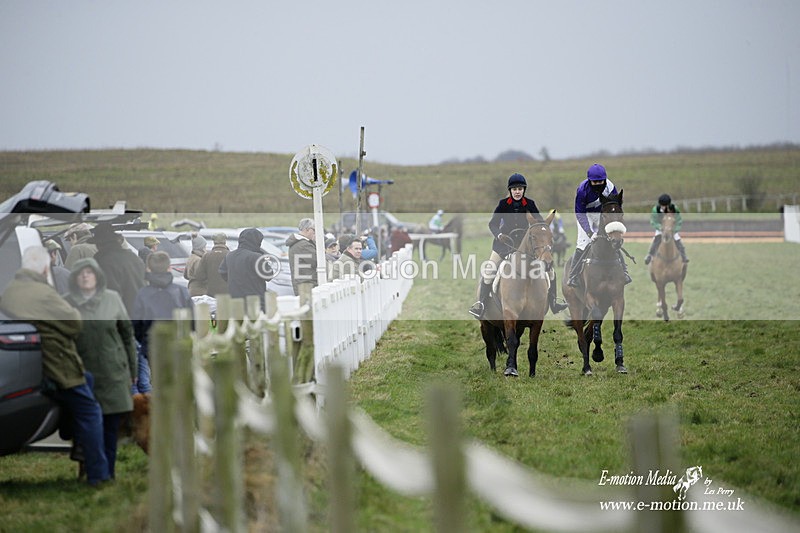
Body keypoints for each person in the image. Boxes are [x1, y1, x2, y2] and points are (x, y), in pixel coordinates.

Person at [0, 246, 110, 486]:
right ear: (44, 267)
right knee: (90, 411)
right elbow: (75, 324)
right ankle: (98, 473)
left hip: (30, 362)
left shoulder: (10, 291)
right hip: (56, 362)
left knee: (88, 381)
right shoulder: (43, 293)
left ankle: (71, 431)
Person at [66, 258, 137, 480]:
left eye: (90, 272)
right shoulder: (66, 303)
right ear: (74, 278)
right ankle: (92, 471)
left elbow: (127, 334)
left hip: (112, 373)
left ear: (97, 276)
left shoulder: (112, 299)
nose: (85, 276)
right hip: (82, 374)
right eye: (81, 273)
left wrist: (133, 369)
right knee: (87, 427)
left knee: (110, 426)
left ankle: (109, 473)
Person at [469, 173, 568, 318]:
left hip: (526, 247)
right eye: (514, 189)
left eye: (520, 189)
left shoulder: (530, 204)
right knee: (489, 270)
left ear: (524, 190)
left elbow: (539, 222)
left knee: (550, 271)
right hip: (503, 245)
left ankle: (553, 301)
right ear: (510, 190)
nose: (517, 192)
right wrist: (499, 235)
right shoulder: (503, 204)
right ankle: (481, 305)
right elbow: (493, 224)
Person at [566, 163, 632, 287]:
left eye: (600, 181)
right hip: (585, 215)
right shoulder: (582, 190)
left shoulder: (610, 187)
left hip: (602, 215)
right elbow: (580, 213)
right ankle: (573, 275)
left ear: (604, 179)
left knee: (613, 240)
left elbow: (616, 206)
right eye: (595, 182)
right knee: (582, 243)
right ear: (589, 181)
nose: (598, 184)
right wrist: (589, 232)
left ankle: (624, 271)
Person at [132, 251, 193, 362]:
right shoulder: (182, 292)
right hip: (179, 346)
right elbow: (194, 323)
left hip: (152, 348)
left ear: (148, 269)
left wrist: (145, 342)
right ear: (169, 268)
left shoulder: (142, 294)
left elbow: (136, 326)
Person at [91, 224, 146, 316]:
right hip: (140, 311)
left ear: (99, 244)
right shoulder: (133, 257)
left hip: (121, 314)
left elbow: (110, 293)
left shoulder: (104, 261)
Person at [219, 227, 274, 309]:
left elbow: (222, 272)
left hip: (235, 300)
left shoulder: (230, 255)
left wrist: (235, 282)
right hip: (256, 300)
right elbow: (268, 276)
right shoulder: (256, 257)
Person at [645, 194, 689, 264]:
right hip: (661, 229)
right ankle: (650, 255)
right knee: (656, 240)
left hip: (672, 229)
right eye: (662, 206)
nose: (664, 208)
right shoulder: (655, 210)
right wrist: (660, 227)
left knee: (677, 240)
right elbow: (653, 221)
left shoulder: (674, 209)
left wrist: (674, 229)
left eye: (665, 206)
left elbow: (678, 220)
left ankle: (684, 256)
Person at [285, 218, 318, 295]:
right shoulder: (303, 245)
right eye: (314, 230)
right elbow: (318, 261)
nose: (315, 232)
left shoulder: (300, 243)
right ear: (307, 229)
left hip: (303, 284)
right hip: (307, 285)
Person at [194, 232, 230, 296]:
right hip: (228, 294)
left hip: (211, 294)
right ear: (225, 241)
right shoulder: (230, 255)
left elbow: (199, 276)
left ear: (214, 242)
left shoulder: (206, 256)